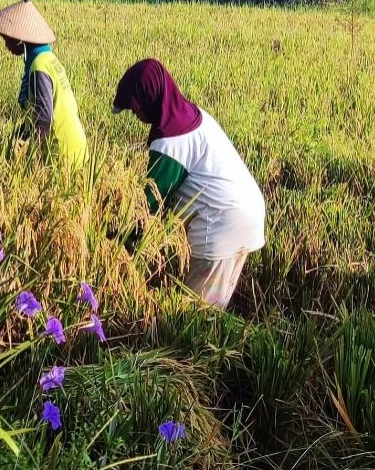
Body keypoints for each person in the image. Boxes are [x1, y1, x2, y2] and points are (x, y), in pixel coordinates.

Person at [112, 58, 266, 309]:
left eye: (136, 108)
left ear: (150, 100)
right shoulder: (192, 115)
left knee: (194, 314)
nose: (136, 115)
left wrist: (117, 245)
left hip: (220, 225)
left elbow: (149, 205)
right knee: (213, 309)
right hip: (245, 214)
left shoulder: (171, 143)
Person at [0, 0, 87, 167]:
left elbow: (43, 118)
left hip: (61, 155)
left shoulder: (39, 66)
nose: (6, 45)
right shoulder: (48, 59)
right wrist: (17, 139)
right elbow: (35, 114)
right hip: (74, 148)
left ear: (20, 39)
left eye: (7, 38)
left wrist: (28, 158)